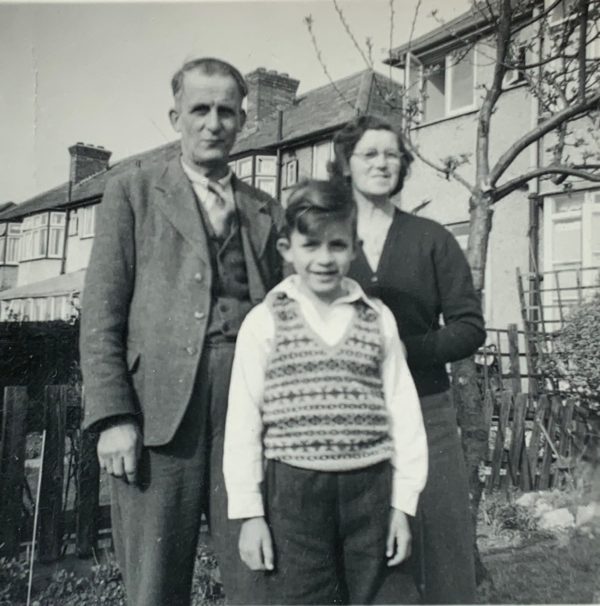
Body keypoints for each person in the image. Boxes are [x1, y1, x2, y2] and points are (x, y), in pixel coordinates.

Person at [79, 57, 283, 606]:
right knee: (154, 588)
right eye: (200, 109)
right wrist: (113, 416)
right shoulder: (134, 193)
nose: (213, 123)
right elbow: (101, 313)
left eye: (226, 111)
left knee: (259, 576)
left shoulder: (266, 210)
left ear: (243, 120)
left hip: (248, 413)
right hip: (156, 419)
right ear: (176, 117)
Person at [223, 179, 428, 605]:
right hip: (294, 492)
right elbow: (243, 422)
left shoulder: (377, 319)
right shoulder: (265, 322)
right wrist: (250, 514)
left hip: (371, 488)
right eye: (310, 245)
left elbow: (404, 413)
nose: (323, 259)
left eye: (337, 245)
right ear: (287, 250)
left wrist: (402, 506)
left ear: (355, 248)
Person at [329, 114, 486, 604]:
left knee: (443, 543)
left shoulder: (431, 238)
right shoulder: (326, 238)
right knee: (364, 552)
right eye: (369, 154)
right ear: (346, 165)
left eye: (391, 155)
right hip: (347, 418)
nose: (381, 163)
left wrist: (402, 350)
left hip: (427, 408)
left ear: (404, 166)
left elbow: (468, 326)